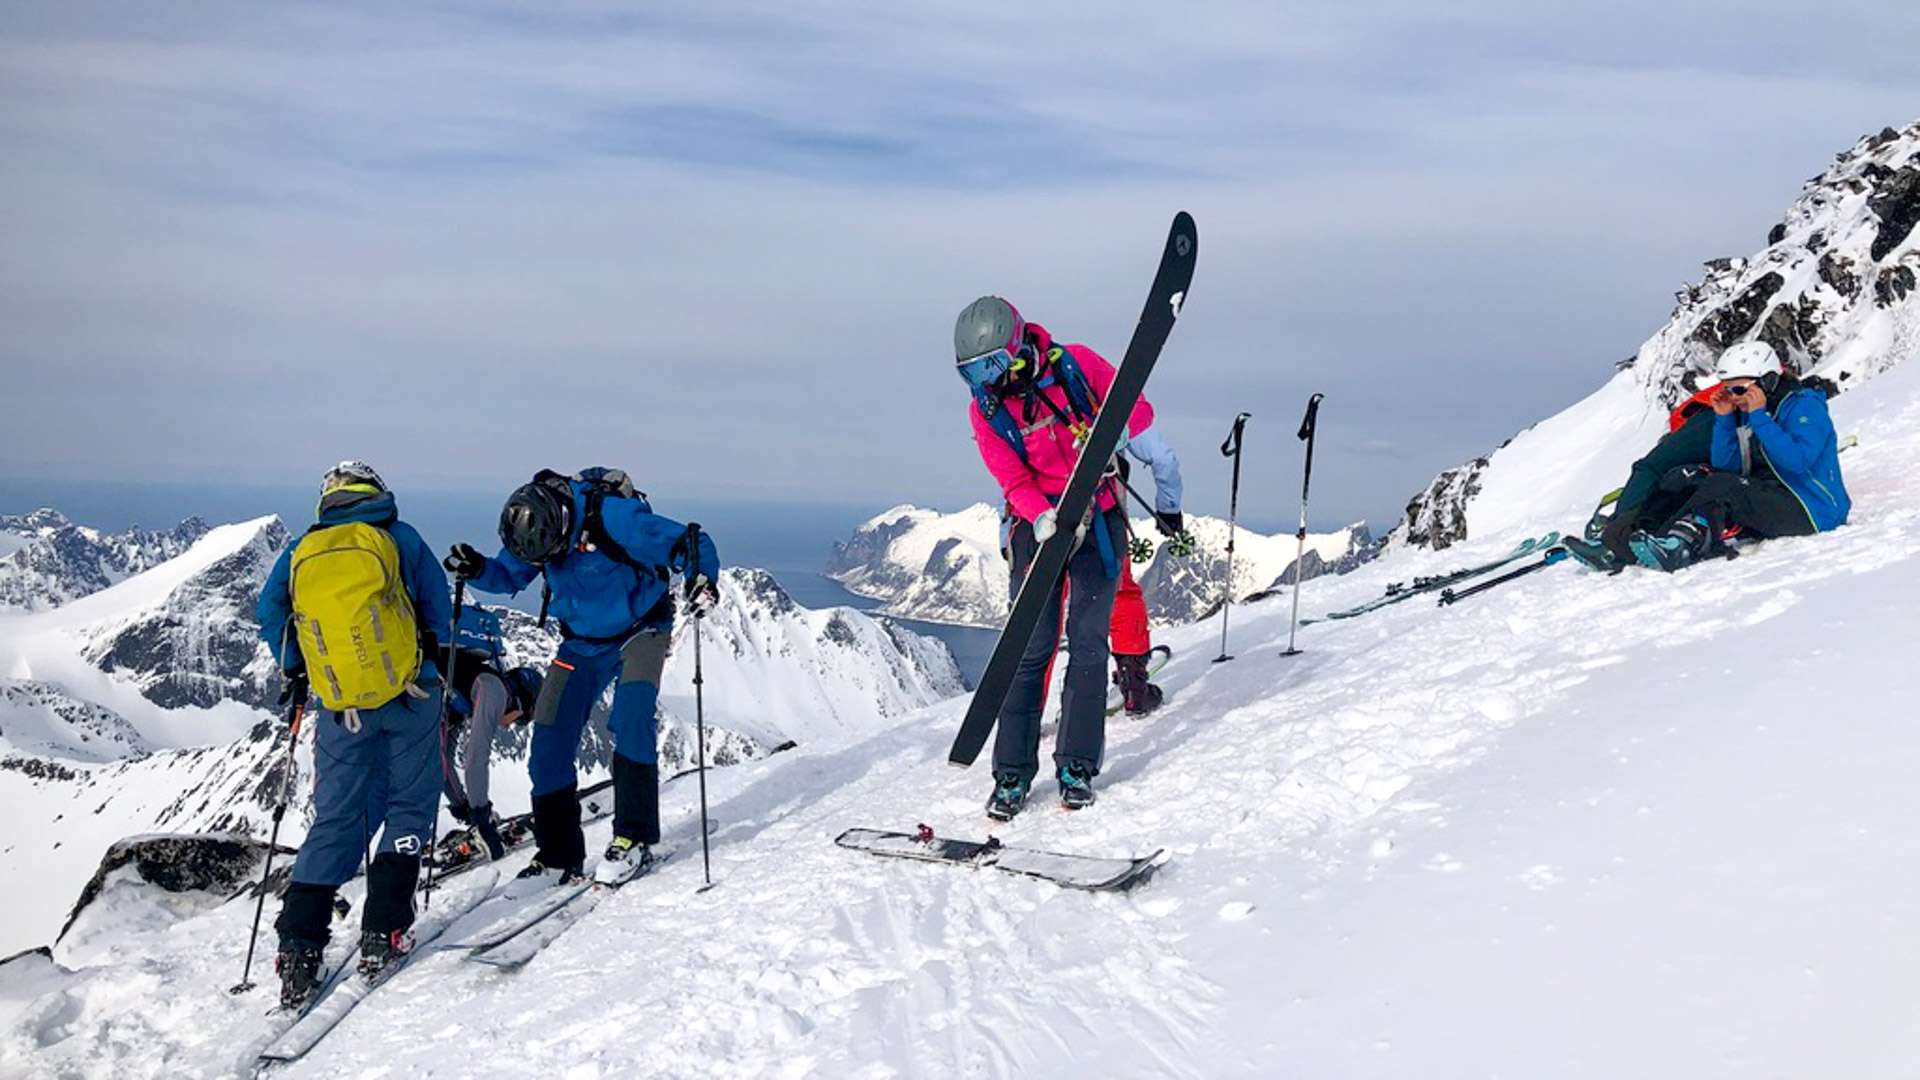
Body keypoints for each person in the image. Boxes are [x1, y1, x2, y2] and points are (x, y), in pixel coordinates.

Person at [443, 467, 719, 886]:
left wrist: (702, 580)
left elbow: (691, 542)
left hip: (642, 629)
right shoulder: (536, 532)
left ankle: (633, 839)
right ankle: (557, 855)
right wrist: (477, 567)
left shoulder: (614, 519)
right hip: (581, 643)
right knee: (550, 736)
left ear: (565, 528)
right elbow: (507, 576)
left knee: (631, 718)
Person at [256, 461, 452, 1010]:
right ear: (377, 491)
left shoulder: (303, 548)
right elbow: (437, 610)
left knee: (337, 816)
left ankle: (298, 947)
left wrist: (298, 668)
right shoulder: (402, 538)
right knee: (409, 807)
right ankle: (384, 930)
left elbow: (269, 611)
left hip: (339, 704)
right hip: (411, 695)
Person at [956, 295, 1158, 819]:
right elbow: (1013, 477)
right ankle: (1011, 775)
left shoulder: (1077, 364)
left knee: (1088, 645)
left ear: (1018, 346)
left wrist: (1115, 438)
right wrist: (1039, 515)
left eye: (993, 365)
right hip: (1038, 528)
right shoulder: (988, 411)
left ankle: (1076, 766)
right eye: (973, 372)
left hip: (1099, 519)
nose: (987, 380)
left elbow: (1138, 406)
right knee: (1030, 647)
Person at [1623, 341, 1849, 571]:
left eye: (1739, 389)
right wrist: (1724, 419)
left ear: (1767, 381)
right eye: (1728, 390)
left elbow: (1798, 461)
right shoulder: (1745, 411)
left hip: (1813, 510)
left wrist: (1760, 417)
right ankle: (1649, 540)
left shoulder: (1804, 406)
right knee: (1685, 476)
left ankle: (1680, 547)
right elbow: (1727, 466)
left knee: (1724, 485)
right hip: (1770, 496)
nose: (1734, 397)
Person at [438, 602, 543, 861]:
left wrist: (462, 806)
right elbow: (476, 757)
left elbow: (439, 763)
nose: (508, 726)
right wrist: (481, 816)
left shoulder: (459, 702)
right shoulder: (492, 688)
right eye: (520, 720)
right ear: (520, 702)